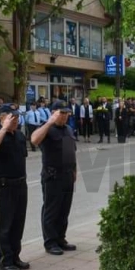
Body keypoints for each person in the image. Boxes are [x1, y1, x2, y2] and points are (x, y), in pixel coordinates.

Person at [0, 104, 30, 270]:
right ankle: (4, 260)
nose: (16, 120)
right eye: (12, 117)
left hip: (20, 183)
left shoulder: (18, 135)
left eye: (17, 117)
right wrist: (3, 129)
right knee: (4, 224)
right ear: (2, 118)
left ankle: (15, 256)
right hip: (3, 185)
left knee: (18, 223)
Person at [30, 101, 77, 256]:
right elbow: (34, 140)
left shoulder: (68, 129)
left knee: (64, 210)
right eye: (61, 113)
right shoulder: (47, 129)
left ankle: (60, 238)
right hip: (53, 175)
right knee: (51, 210)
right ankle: (50, 242)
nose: (65, 116)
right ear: (54, 113)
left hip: (68, 175)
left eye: (66, 113)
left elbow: (72, 151)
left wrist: (74, 170)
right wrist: (49, 122)